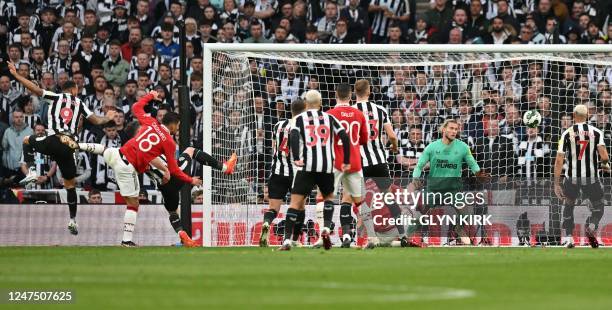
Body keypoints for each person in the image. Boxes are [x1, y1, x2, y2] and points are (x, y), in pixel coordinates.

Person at [73, 90, 202, 247]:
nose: (178, 129)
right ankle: (126, 240)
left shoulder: (152, 122)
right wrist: (190, 179)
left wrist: (150, 96)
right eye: (179, 125)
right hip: (127, 167)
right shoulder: (169, 142)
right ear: (174, 125)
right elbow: (174, 169)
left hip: (118, 154)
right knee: (133, 204)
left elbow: (135, 107)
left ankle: (76, 144)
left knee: (104, 149)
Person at [8, 61, 116, 235]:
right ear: (74, 90)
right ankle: (73, 220)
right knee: (69, 184)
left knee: (27, 140)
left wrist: (16, 75)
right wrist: (108, 117)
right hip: (69, 146)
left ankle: (31, 173)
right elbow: (96, 120)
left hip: (53, 139)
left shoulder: (55, 97)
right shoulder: (80, 103)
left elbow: (34, 90)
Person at [123, 120, 237, 247]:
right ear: (137, 133)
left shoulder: (132, 152)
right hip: (173, 175)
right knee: (190, 150)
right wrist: (171, 171)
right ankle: (226, 168)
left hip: (164, 187)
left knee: (172, 212)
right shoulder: (143, 146)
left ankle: (182, 236)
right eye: (140, 130)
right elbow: (152, 158)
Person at [279, 90, 351, 251]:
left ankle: (286, 240)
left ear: (306, 103)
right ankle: (325, 227)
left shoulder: (299, 119)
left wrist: (297, 157)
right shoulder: (329, 118)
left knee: (295, 203)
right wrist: (346, 161)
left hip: (307, 167)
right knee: (328, 199)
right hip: (326, 167)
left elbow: (294, 137)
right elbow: (345, 137)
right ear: (320, 102)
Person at [410, 119, 490, 245]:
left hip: (453, 190)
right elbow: (419, 166)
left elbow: (472, 164)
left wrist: (479, 173)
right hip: (434, 189)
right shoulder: (432, 147)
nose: (454, 131)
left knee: (467, 214)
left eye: (456, 129)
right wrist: (415, 179)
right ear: (443, 130)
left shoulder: (463, 147)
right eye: (451, 128)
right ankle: (409, 236)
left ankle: (458, 229)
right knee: (419, 213)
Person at [554, 105, 610, 248]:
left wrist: (556, 183)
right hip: (591, 177)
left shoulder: (566, 133)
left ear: (573, 115)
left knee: (569, 204)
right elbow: (604, 155)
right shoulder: (596, 132)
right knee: (599, 206)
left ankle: (568, 238)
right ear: (587, 116)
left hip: (571, 177)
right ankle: (591, 226)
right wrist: (605, 164)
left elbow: (559, 159)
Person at [320, 84, 368, 248]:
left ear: (336, 95)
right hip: (354, 161)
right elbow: (364, 140)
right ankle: (349, 236)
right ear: (350, 96)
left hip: (333, 162)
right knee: (354, 200)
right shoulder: (359, 114)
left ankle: (325, 229)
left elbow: (323, 140)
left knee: (326, 197)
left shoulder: (328, 114)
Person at [259, 99, 306, 247]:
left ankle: (267, 222)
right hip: (296, 173)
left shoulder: (278, 125)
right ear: (304, 110)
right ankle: (294, 239)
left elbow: (275, 146)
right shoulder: (303, 126)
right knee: (299, 207)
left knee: (273, 208)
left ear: (290, 109)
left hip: (277, 172)